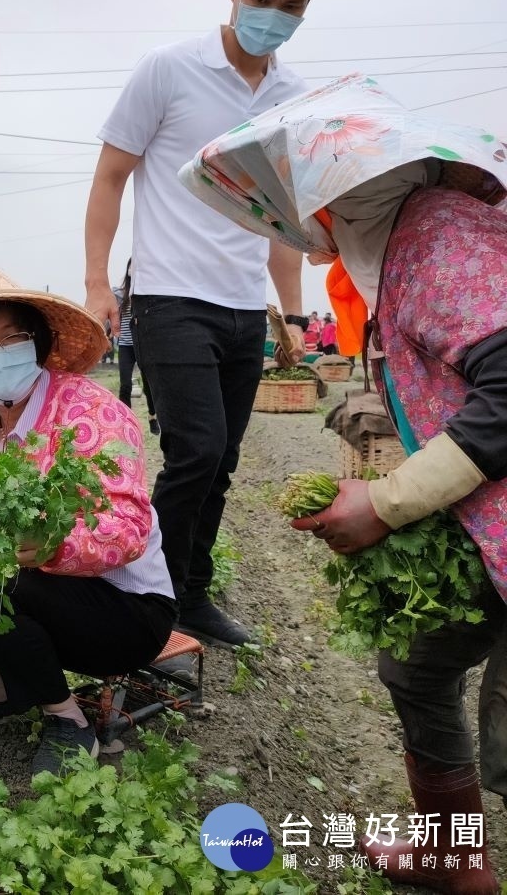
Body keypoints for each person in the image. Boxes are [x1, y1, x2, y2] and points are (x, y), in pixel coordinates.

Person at [182, 73, 507, 894]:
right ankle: (450, 855)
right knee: (416, 662)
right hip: (491, 525)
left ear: (341, 198)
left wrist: (388, 502)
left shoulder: (440, 239)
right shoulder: (419, 238)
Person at [83, 0, 313, 647]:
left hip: (243, 305)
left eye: (290, 4)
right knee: (197, 450)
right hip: (170, 296)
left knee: (223, 460)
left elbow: (281, 213)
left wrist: (291, 311)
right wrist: (99, 282)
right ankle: (146, 593)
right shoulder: (169, 69)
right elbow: (110, 177)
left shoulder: (292, 95)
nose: (273, 12)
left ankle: (190, 594)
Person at [0, 269, 177, 777]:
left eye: (12, 339)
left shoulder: (89, 410)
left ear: (37, 343)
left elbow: (128, 526)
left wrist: (52, 546)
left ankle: (67, 720)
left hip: (124, 608)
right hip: (29, 589)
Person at [115, 259, 159, 436]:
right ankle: (126, 421)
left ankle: (152, 416)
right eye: (132, 266)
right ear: (127, 269)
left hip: (142, 343)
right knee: (125, 384)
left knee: (148, 385)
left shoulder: (147, 293)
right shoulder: (118, 293)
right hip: (125, 345)